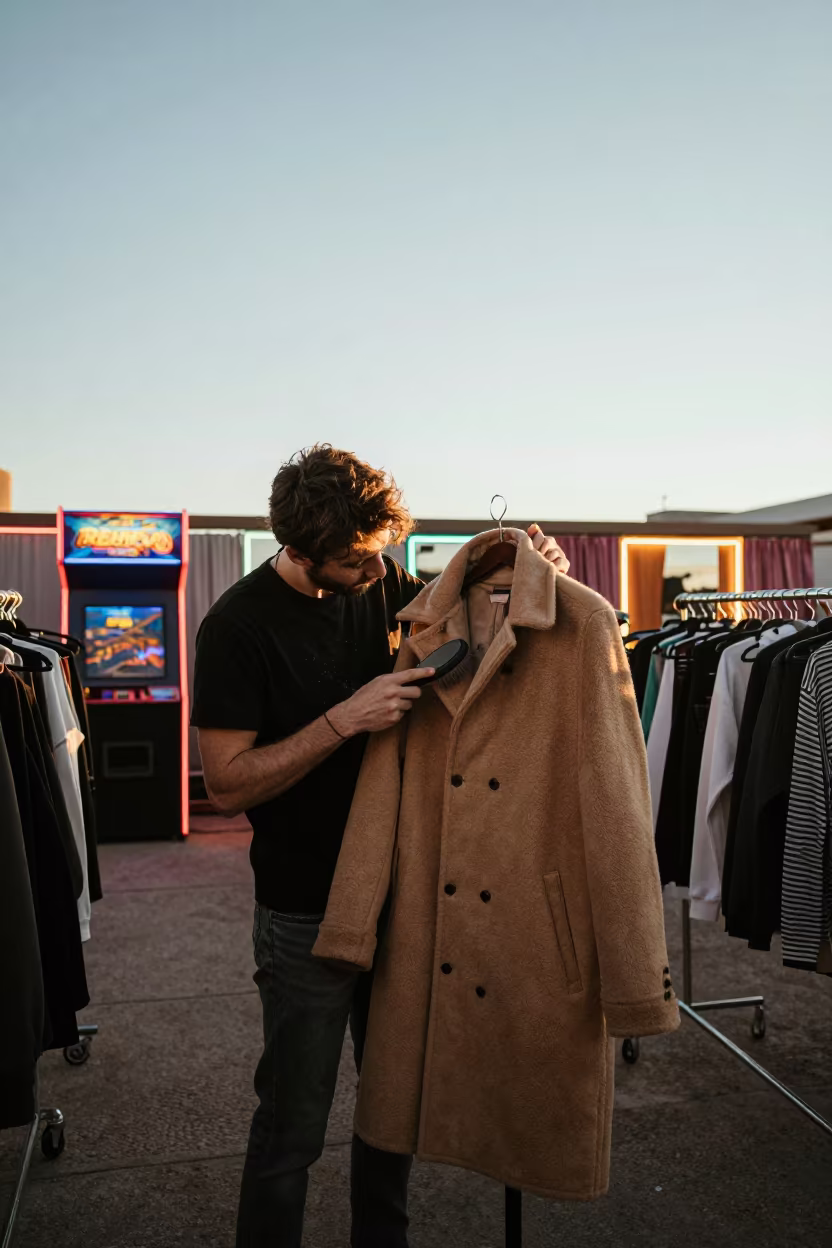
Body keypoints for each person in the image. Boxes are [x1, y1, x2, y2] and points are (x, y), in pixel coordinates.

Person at [191, 445, 570, 1248]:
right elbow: (225, 784)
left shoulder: (389, 582)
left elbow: (479, 616)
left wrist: (542, 573)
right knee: (292, 1124)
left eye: (382, 548)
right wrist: (345, 719)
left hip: (402, 896)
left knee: (392, 1108)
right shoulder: (236, 627)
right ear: (297, 551)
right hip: (303, 910)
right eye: (355, 559)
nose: (377, 569)